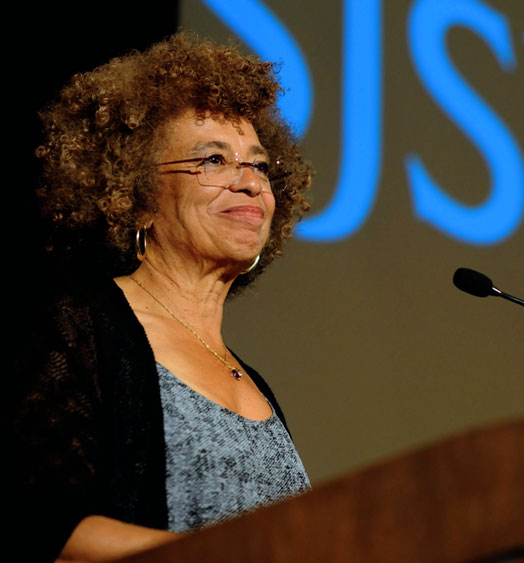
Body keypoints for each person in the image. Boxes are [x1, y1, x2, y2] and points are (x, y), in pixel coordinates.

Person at [14, 33, 313, 561]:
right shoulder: (81, 329)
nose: (248, 183)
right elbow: (36, 526)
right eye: (214, 160)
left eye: (260, 165)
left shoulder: (254, 382)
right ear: (136, 197)